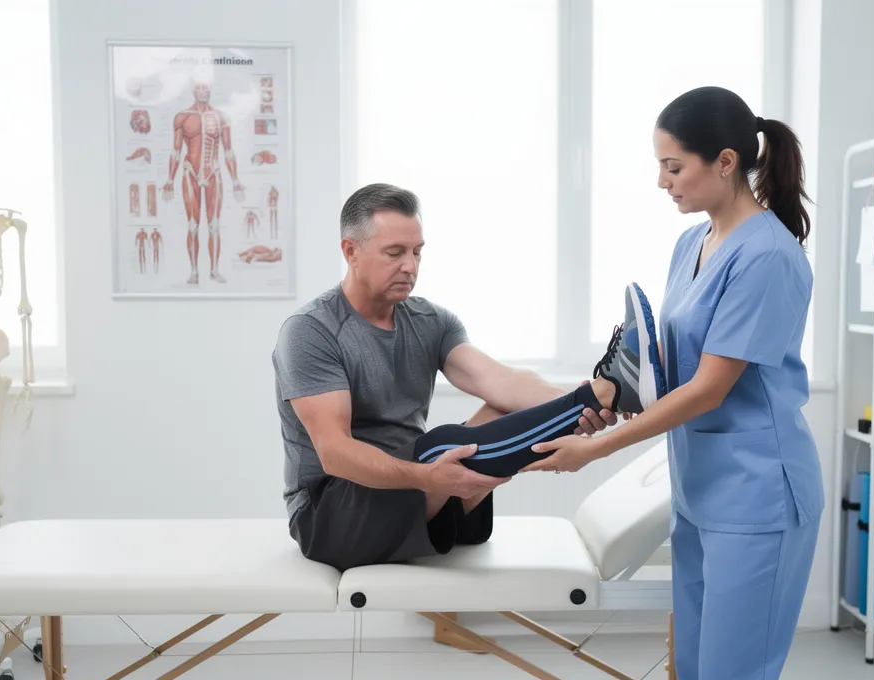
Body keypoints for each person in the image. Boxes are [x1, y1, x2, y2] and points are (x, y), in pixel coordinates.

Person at [523, 86, 824, 680]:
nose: (661, 182)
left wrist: (595, 449)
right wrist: (611, 398)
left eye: (673, 167)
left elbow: (710, 390)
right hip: (698, 493)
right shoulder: (691, 242)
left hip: (758, 496)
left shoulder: (769, 257)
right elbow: (668, 368)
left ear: (725, 162)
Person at [271, 182, 666, 572]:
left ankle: (610, 392)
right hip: (332, 516)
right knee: (438, 446)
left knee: (498, 411)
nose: (410, 266)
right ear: (350, 251)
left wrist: (580, 404)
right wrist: (426, 476)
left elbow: (502, 383)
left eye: (416, 252)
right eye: (394, 253)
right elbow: (335, 453)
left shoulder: (430, 320)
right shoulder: (312, 331)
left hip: (421, 495)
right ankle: (613, 388)